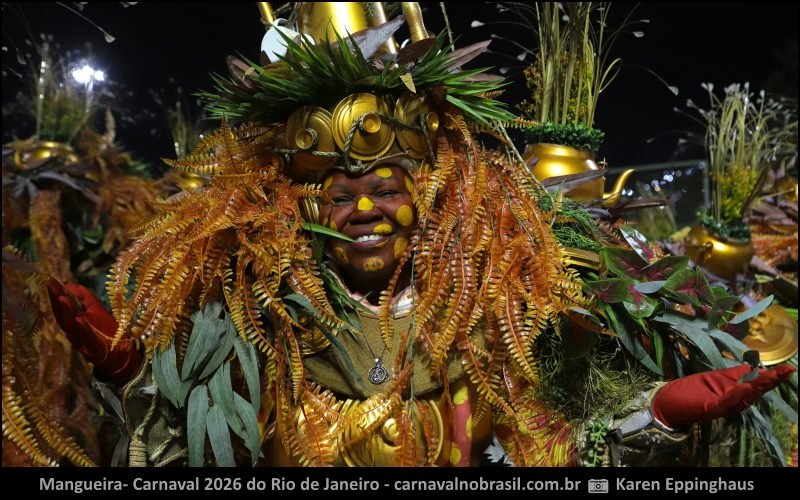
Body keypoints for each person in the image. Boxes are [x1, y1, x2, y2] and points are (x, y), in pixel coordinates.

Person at [43, 2, 794, 467]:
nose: (360, 209)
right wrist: (132, 378)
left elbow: (555, 451)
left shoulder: (487, 327)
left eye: (382, 187)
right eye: (335, 192)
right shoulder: (252, 324)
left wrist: (657, 413)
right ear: (292, 205)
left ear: (433, 193)